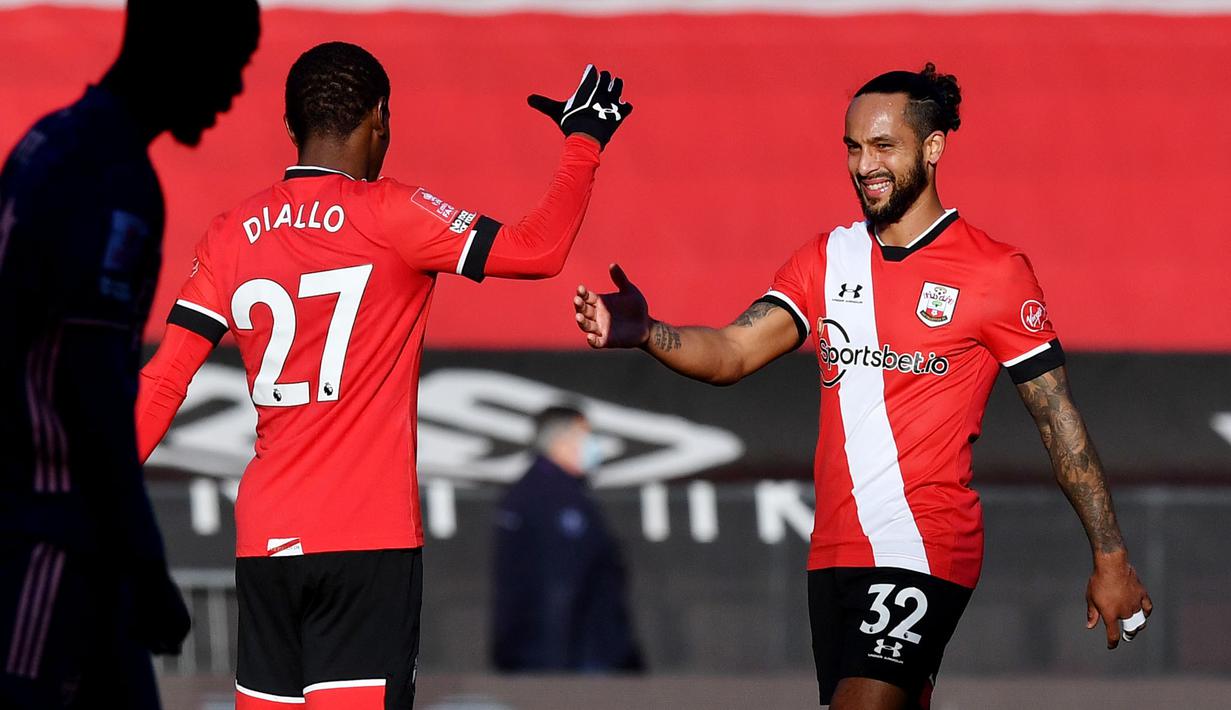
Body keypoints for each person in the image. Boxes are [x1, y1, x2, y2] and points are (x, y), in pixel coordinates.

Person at [572, 63, 1152, 710]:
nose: (863, 164)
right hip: (833, 553)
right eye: (852, 147)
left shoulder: (994, 272)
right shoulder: (825, 259)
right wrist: (648, 331)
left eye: (882, 146)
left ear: (931, 149)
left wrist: (1110, 555)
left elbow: (1057, 421)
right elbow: (733, 352)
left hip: (923, 542)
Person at [131, 42, 631, 709]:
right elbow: (537, 251)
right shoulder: (396, 214)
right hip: (366, 540)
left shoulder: (231, 233)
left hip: (265, 540)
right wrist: (583, 143)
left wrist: (79, 495)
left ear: (290, 129)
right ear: (380, 120)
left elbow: (162, 384)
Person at [0, 1, 259, 707]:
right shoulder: (110, 180)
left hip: (80, 539)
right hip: (47, 536)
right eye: (230, 69)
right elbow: (88, 389)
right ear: (179, 54)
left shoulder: (48, 143)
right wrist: (146, 561)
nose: (234, 93)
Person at [491, 404, 643, 673]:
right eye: (586, 435)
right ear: (562, 441)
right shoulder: (553, 498)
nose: (594, 446)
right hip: (570, 659)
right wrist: (557, 670)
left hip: (546, 654)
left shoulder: (530, 491)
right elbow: (560, 587)